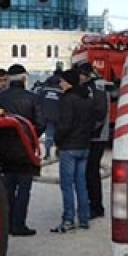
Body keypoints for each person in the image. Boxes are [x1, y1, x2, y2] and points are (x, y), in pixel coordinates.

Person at [0, 64, 45, 237]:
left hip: (5, 148)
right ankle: (19, 224)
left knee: (7, 187)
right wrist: (31, 137)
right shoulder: (33, 98)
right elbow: (41, 123)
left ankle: (6, 223)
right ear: (24, 78)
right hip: (26, 149)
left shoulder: (0, 98)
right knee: (24, 188)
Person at [50, 68, 94, 233]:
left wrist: (57, 140)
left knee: (67, 185)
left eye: (62, 81)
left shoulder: (68, 99)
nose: (60, 83)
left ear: (68, 82)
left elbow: (65, 125)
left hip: (69, 147)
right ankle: (84, 218)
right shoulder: (87, 99)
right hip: (84, 146)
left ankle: (68, 219)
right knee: (81, 184)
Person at [77, 62, 110, 219]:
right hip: (96, 136)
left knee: (91, 173)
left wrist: (89, 131)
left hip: (95, 137)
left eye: (81, 75)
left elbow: (99, 113)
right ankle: (93, 205)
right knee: (89, 172)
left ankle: (96, 207)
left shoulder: (96, 88)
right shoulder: (96, 86)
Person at [38, 68, 63, 161]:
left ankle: (47, 153)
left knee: (49, 134)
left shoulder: (45, 86)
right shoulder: (62, 87)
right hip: (59, 114)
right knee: (60, 133)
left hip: (47, 114)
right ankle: (58, 151)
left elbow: (39, 100)